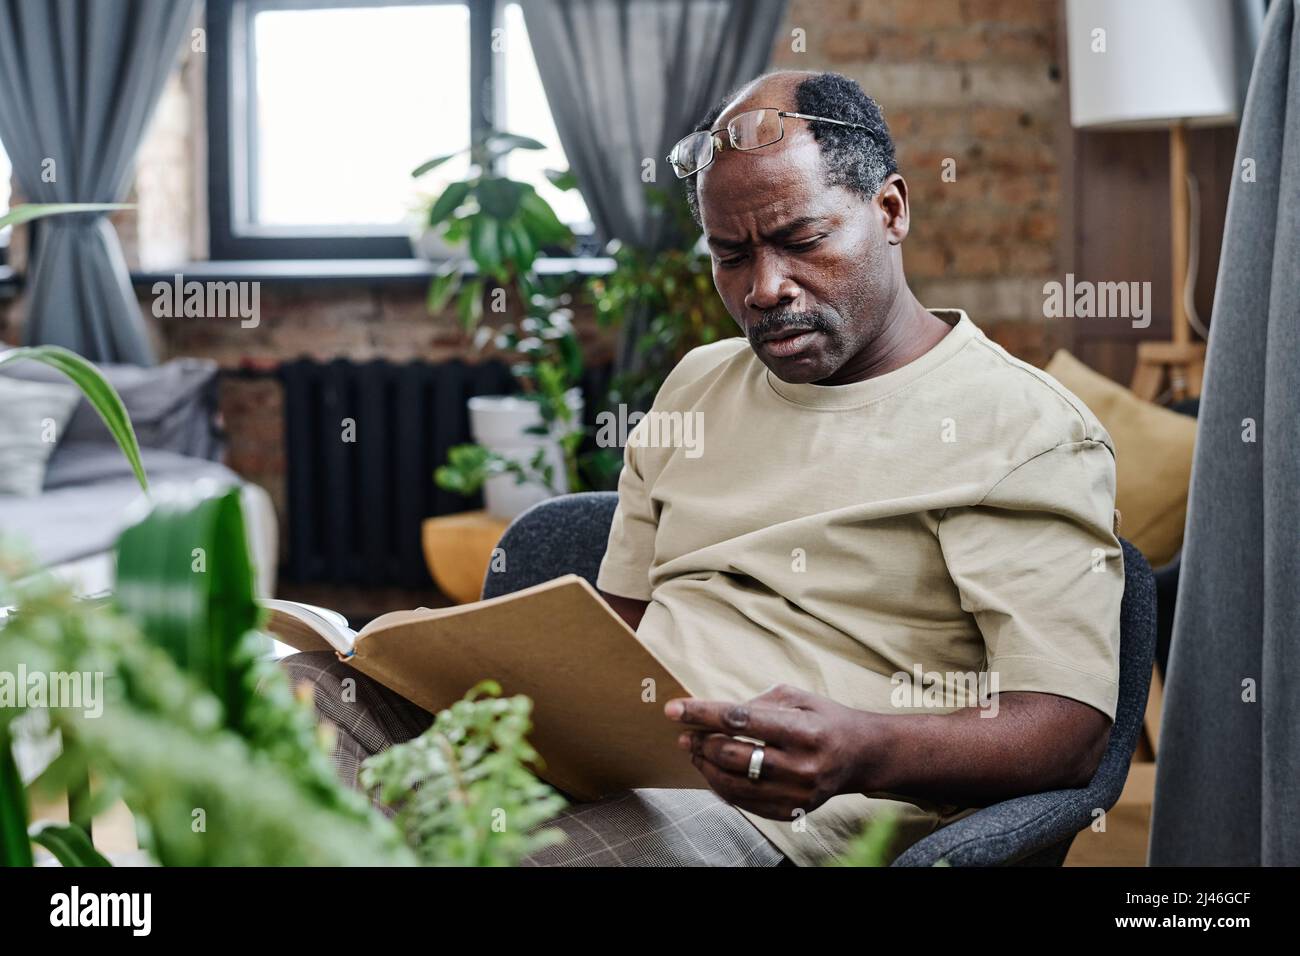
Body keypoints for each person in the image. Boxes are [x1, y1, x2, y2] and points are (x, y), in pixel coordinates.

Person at [282, 69, 1123, 867]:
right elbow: (606, 635)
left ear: (891, 208)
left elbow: (1068, 727)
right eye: (731, 255)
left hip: (772, 810)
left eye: (801, 240)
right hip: (619, 753)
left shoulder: (1025, 428)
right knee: (300, 701)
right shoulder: (697, 384)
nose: (765, 288)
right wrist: (445, 669)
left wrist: (865, 744)